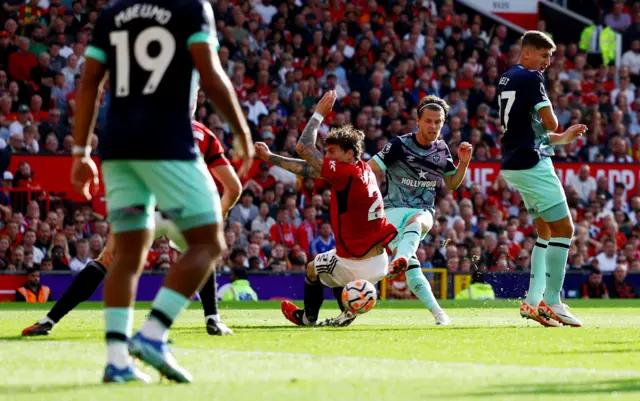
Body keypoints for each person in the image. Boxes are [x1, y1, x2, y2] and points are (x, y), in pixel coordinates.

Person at [70, 0, 253, 384]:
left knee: (127, 252)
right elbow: (209, 70)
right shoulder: (191, 8)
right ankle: (153, 334)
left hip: (118, 146)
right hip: (168, 141)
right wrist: (240, 129)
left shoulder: (112, 13)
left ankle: (117, 359)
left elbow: (89, 83)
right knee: (208, 242)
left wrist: (80, 152)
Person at [22, 105, 242, 338]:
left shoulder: (142, 128)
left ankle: (49, 321)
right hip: (183, 212)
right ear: (194, 103)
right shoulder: (205, 134)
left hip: (144, 208)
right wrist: (220, 211)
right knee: (203, 251)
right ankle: (212, 320)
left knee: (106, 262)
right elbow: (234, 188)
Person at [255, 91, 398, 327]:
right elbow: (309, 169)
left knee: (313, 269)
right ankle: (346, 311)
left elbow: (303, 148)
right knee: (330, 266)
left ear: (349, 153)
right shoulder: (361, 169)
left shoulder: (346, 173)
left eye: (331, 152)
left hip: (357, 261)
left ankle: (309, 317)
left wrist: (318, 114)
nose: (327, 156)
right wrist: (270, 157)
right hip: (377, 260)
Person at [497, 31, 587, 327]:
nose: (548, 62)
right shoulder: (532, 78)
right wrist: (556, 125)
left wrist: (561, 139)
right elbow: (550, 121)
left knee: (546, 232)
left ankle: (533, 302)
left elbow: (534, 131)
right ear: (527, 52)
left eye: (550, 56)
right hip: (533, 163)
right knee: (565, 228)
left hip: (514, 162)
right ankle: (553, 301)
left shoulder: (507, 77)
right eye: (544, 55)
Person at [368, 95, 471, 325]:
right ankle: (439, 314)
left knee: (417, 220)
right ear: (418, 120)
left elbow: (452, 184)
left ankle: (401, 258)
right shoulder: (398, 145)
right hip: (392, 213)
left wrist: (463, 163)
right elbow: (369, 169)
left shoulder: (442, 150)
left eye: (438, 122)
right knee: (414, 271)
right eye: (428, 121)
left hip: (423, 211)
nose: (433, 126)